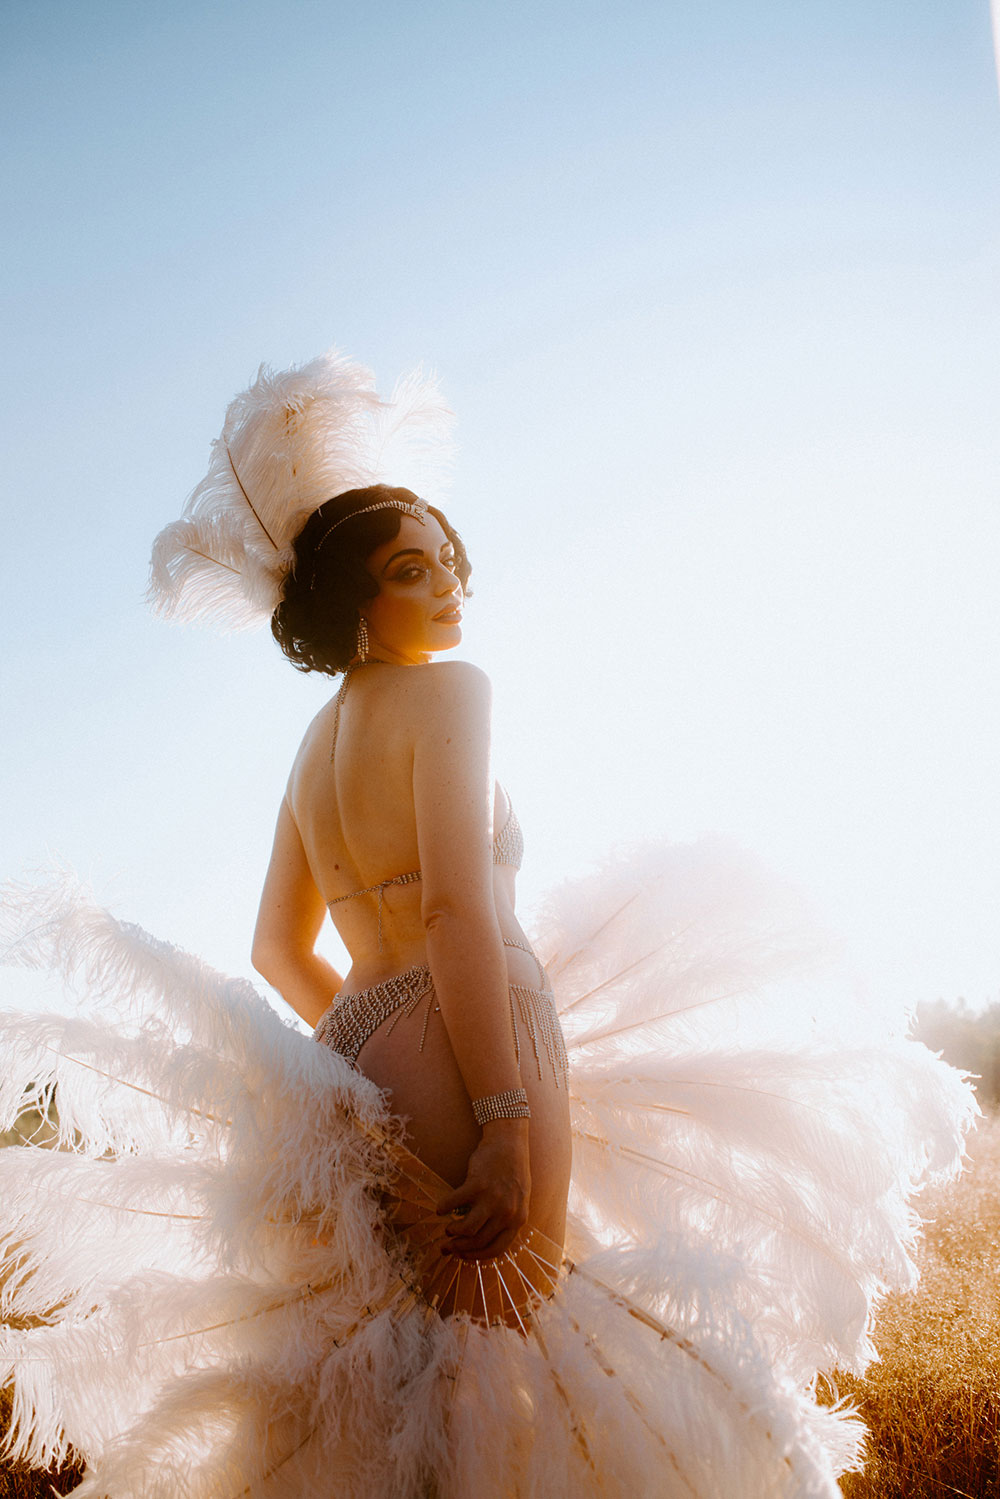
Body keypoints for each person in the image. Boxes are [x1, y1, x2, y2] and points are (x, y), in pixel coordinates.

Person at [0, 350, 978, 1498]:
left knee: (408, 1385)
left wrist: (367, 1075)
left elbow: (277, 946)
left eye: (447, 559)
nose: (448, 586)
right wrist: (501, 1112)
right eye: (411, 570)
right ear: (351, 602)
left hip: (355, 1044)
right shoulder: (456, 692)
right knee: (506, 1368)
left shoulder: (311, 751)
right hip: (476, 1033)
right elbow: (460, 900)